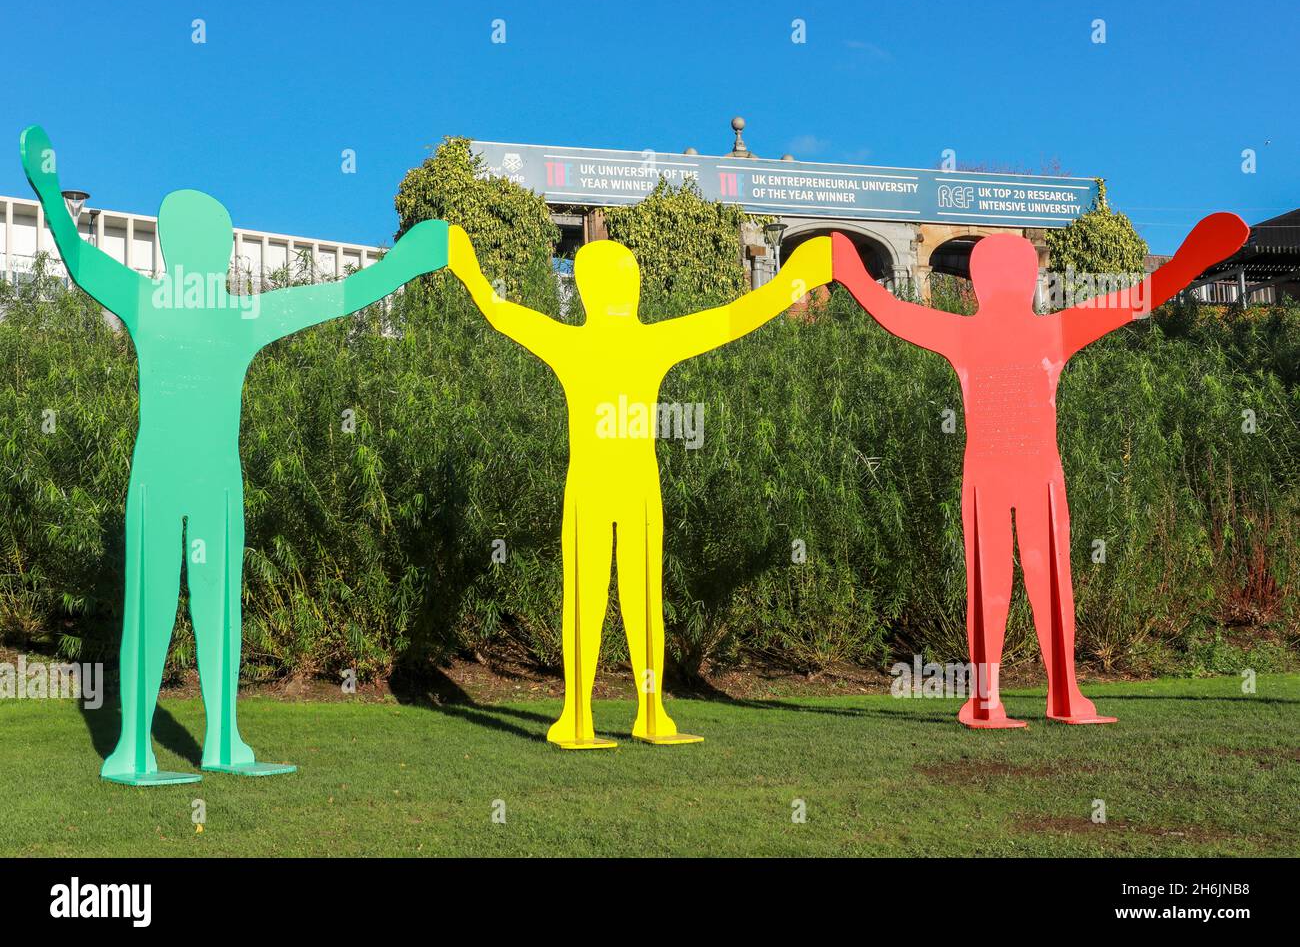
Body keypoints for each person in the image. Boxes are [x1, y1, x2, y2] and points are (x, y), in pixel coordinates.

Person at [21, 125, 449, 783]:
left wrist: (49, 188)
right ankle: (161, 746)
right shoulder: (234, 315)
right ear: (214, 249)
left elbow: (77, 257)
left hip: (170, 480)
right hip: (205, 484)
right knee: (205, 606)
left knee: (163, 604)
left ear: (166, 244)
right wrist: (402, 265)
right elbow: (339, 297)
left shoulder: (153, 300)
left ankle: (186, 744)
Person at [832, 213, 1248, 727]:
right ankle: (1063, 696)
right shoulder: (1056, 330)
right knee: (1052, 580)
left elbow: (892, 311)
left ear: (979, 283)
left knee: (989, 583)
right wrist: (1190, 261)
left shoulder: (962, 334)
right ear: (1031, 282)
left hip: (986, 476)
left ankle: (992, 701)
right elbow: (1140, 297)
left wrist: (851, 274)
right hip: (1038, 476)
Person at [449, 227, 831, 747]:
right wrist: (793, 280)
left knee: (603, 597)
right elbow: (732, 319)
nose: (628, 286)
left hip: (602, 487)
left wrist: (466, 266)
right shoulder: (644, 341)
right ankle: (611, 717)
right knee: (629, 599)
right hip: (627, 489)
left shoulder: (576, 342)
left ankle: (612, 717)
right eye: (625, 277)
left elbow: (499, 310)